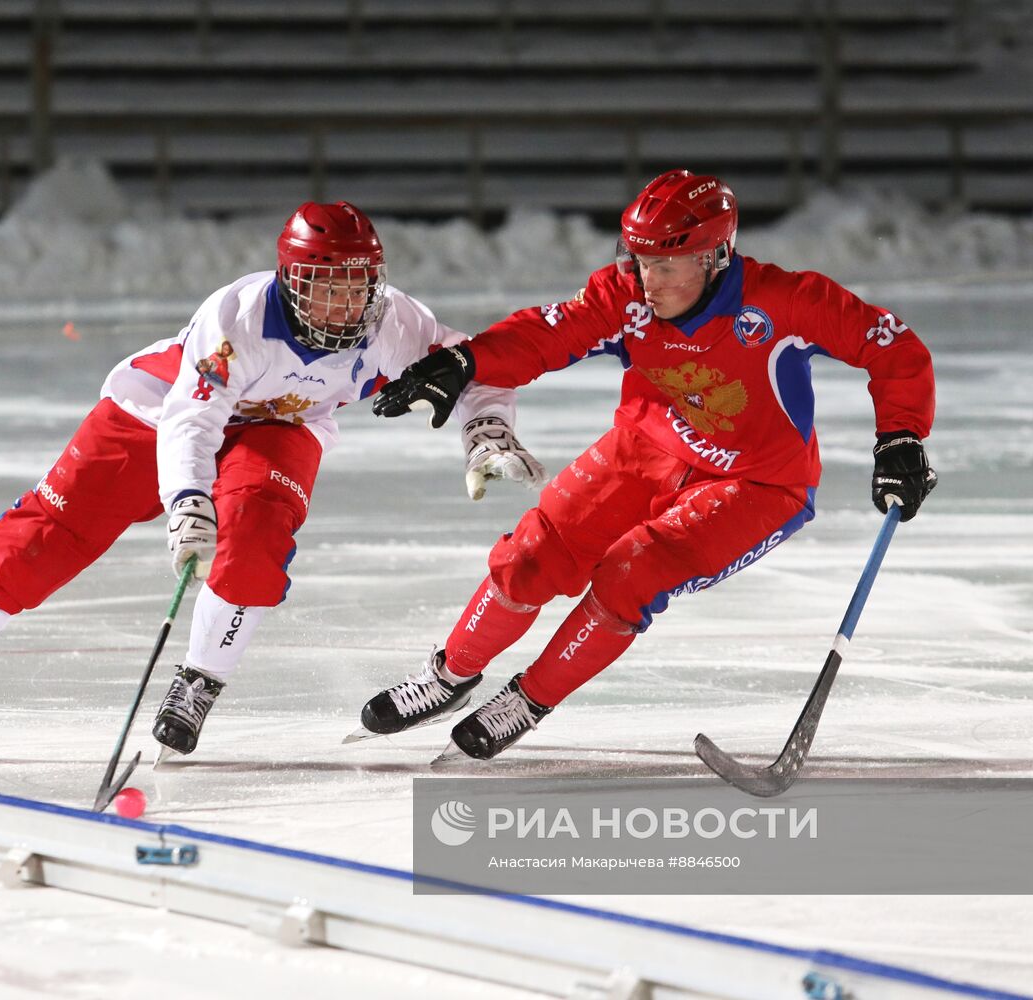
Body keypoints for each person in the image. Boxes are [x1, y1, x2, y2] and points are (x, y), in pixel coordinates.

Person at [0, 201, 543, 756]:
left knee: (256, 534)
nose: (339, 305)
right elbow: (190, 420)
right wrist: (187, 503)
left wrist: (487, 430)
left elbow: (476, 363)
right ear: (290, 280)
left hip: (276, 427)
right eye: (322, 286)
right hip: (154, 411)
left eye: (354, 286)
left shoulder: (395, 322)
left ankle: (198, 681)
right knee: (41, 541)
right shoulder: (237, 316)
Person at [355, 169, 937, 762]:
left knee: (632, 574)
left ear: (715, 257)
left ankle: (527, 700)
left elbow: (891, 346)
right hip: (644, 448)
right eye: (636, 260)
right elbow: (546, 335)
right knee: (532, 555)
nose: (645, 279)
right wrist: (466, 361)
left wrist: (900, 438)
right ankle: (450, 675)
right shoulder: (627, 294)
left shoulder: (784, 301)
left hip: (757, 482)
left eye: (665, 265)